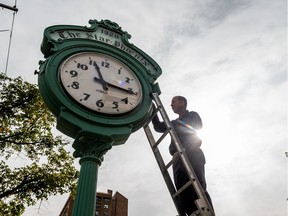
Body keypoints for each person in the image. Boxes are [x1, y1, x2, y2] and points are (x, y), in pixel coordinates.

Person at [151, 96, 213, 215]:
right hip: (177, 158)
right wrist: (154, 111)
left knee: (198, 187)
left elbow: (197, 126)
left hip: (192, 152)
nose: (171, 104)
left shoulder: (193, 115)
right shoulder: (173, 123)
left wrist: (175, 126)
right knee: (182, 192)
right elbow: (158, 127)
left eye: (174, 101)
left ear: (182, 103)